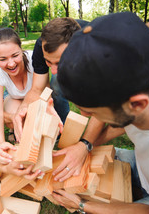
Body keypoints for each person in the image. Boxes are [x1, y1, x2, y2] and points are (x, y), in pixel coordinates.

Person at [53, 12, 149, 213]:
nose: (84, 115)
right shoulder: (140, 80)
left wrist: (82, 205)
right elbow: (121, 122)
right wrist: (85, 146)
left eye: (91, 112)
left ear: (136, 105)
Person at [13, 17, 106, 182]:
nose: (54, 70)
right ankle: (61, 128)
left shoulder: (97, 50)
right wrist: (24, 107)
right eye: (49, 62)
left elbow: (106, 103)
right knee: (56, 83)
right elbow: (36, 89)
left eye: (60, 62)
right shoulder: (42, 46)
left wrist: (85, 144)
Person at [0, 28, 34, 164]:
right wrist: (1, 144)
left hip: (35, 98)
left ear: (21, 49)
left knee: (31, 120)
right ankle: (12, 130)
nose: (11, 63)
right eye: (2, 59)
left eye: (15, 55)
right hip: (13, 98)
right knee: (13, 115)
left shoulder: (34, 60)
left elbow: (45, 91)